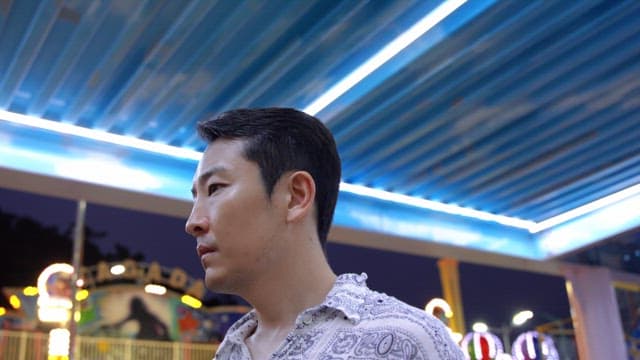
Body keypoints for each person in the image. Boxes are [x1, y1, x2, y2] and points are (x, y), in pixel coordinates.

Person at [185, 108, 464, 359]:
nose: (192, 222)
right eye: (195, 198)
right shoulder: (229, 352)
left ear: (296, 196)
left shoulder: (406, 341)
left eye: (215, 188)